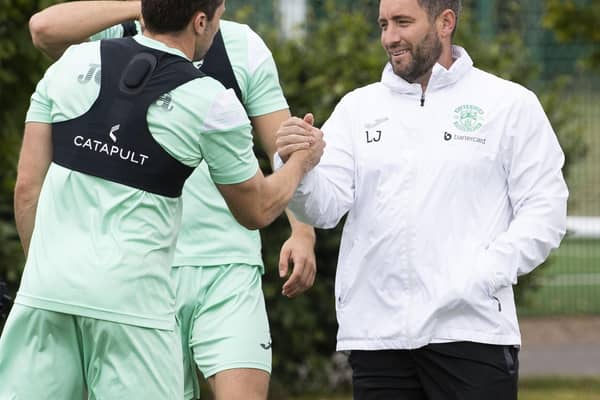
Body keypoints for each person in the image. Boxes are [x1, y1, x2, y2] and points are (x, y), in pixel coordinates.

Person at [0, 0, 324, 398]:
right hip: (136, 291)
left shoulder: (70, 64)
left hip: (59, 287)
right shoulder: (210, 99)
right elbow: (257, 207)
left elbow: (27, 188)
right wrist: (302, 164)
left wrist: (302, 231)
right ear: (202, 19)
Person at [275, 0, 569, 399]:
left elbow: (545, 211)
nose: (390, 37)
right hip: (376, 339)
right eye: (383, 24)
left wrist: (483, 274)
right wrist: (299, 167)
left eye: (402, 22)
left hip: (472, 332)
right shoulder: (358, 109)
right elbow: (324, 209)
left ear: (445, 22)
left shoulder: (509, 104)